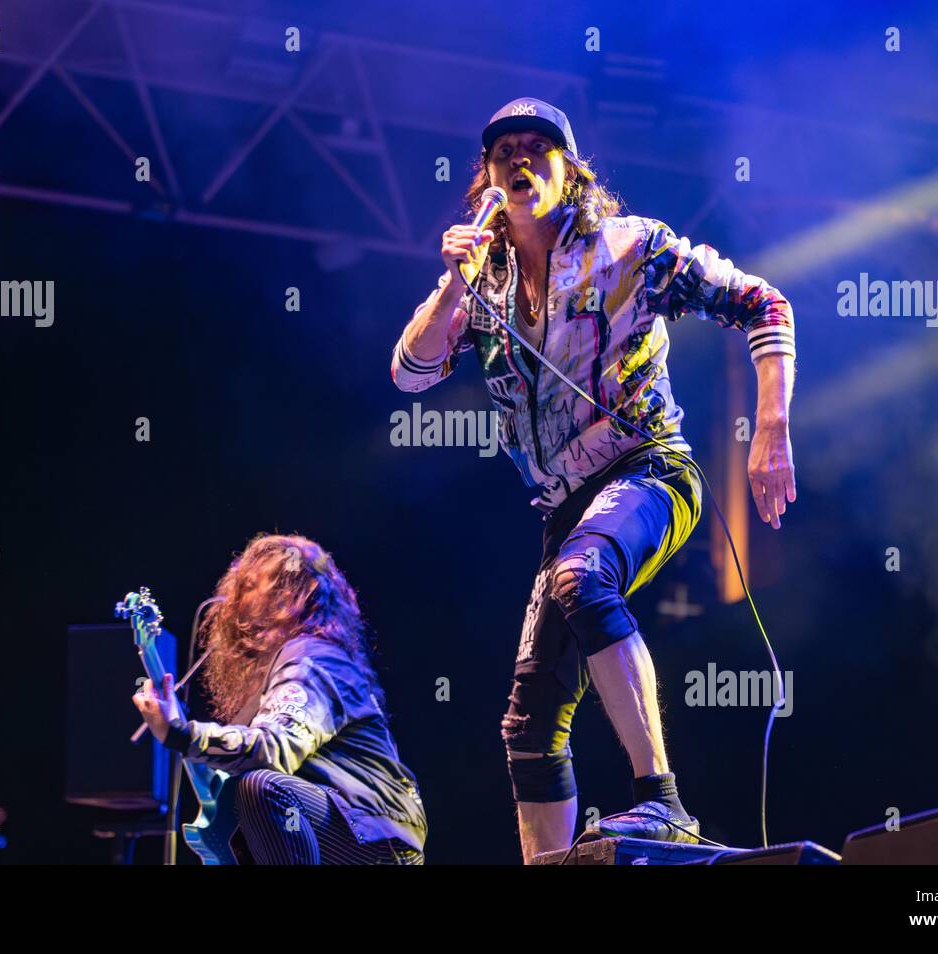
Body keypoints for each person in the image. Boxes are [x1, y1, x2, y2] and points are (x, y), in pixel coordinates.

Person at [390, 98, 797, 863]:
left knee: (581, 578)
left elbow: (762, 303)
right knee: (528, 725)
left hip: (651, 472)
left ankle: (663, 803)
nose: (519, 160)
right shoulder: (482, 285)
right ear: (485, 181)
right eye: (503, 150)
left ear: (568, 171)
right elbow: (410, 373)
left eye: (536, 148)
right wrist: (454, 281)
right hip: (565, 508)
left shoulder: (630, 248)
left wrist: (770, 430)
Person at [132, 533, 427, 864]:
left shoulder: (313, 659)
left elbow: (271, 751)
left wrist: (181, 733)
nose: (237, 597)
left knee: (263, 788)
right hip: (342, 828)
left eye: (255, 584)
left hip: (374, 835)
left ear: (297, 594)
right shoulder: (278, 674)